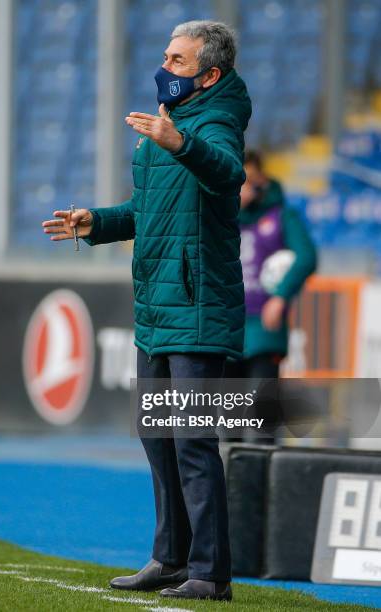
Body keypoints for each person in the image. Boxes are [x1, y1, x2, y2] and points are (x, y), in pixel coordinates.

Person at [42, 20, 251, 602]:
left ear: (209, 74)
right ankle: (169, 558)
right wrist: (97, 222)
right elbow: (147, 209)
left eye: (177, 60)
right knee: (157, 437)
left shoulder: (215, 121)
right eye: (165, 55)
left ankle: (210, 573)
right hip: (157, 306)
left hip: (196, 307)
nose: (165, 68)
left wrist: (180, 143)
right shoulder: (168, 127)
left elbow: (228, 173)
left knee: (191, 440)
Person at [224, 150, 317, 380]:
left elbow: (307, 257)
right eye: (238, 180)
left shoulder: (281, 215)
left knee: (260, 406)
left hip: (264, 328)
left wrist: (280, 297)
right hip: (224, 327)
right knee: (225, 408)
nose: (244, 187)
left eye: (249, 180)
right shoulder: (221, 215)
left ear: (260, 180)